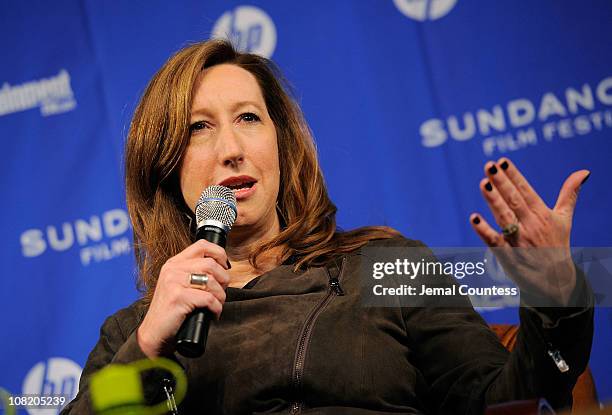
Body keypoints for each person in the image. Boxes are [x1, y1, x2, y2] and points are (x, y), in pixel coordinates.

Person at [61, 39, 594, 414]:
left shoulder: (388, 268)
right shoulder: (133, 330)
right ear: (166, 167)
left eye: (249, 118)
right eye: (200, 128)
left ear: (280, 144)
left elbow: (509, 404)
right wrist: (148, 347)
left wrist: (552, 294)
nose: (231, 149)